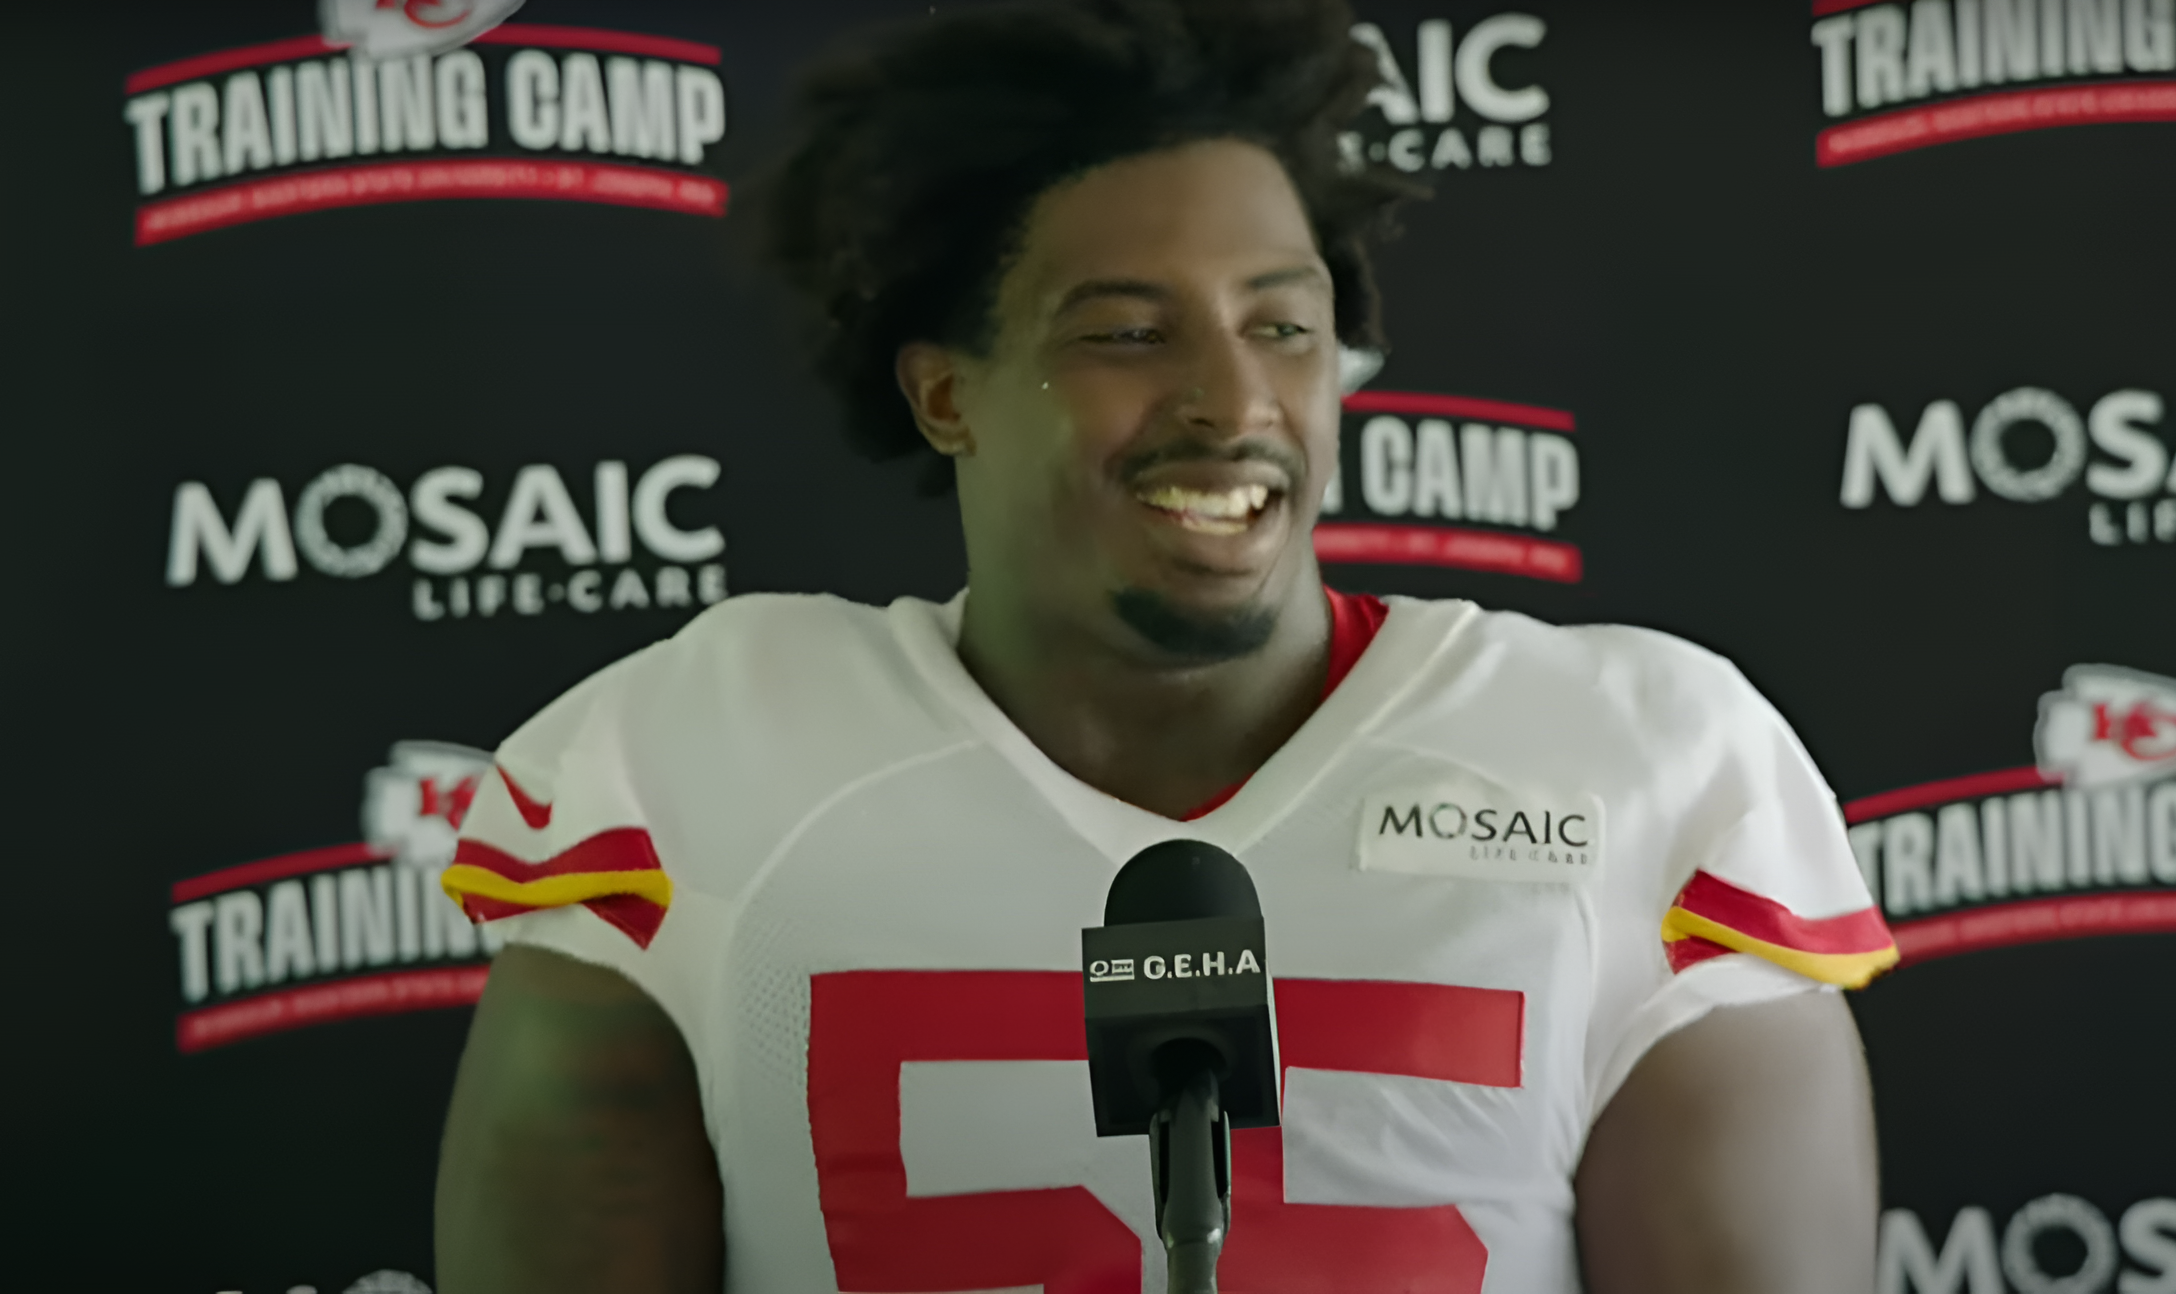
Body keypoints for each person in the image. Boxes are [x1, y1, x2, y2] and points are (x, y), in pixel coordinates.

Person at [432, 1, 1896, 1290]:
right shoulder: (699, 761)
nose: (1228, 398)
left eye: (1283, 327)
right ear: (948, 394)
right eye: (1128, 334)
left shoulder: (1636, 762)